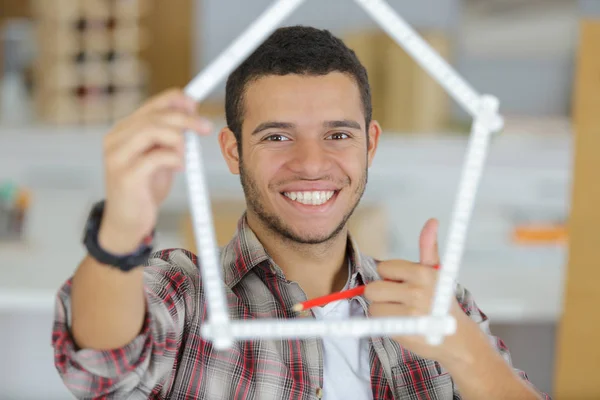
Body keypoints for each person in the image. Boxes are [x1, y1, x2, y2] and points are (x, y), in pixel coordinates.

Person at [52, 26, 549, 400]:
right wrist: (121, 226)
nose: (311, 164)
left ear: (369, 144)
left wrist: (465, 350)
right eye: (277, 136)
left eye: (338, 135)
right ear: (232, 151)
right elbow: (98, 363)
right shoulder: (182, 292)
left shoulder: (436, 306)